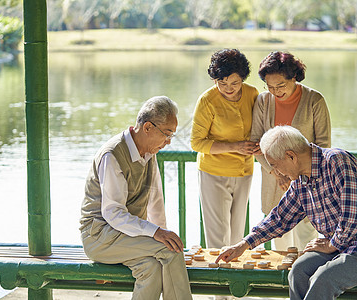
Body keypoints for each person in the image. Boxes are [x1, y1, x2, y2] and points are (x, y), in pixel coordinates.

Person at [217, 126, 357, 300]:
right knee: (298, 271)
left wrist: (331, 244)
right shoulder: (300, 180)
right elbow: (280, 218)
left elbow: (354, 215)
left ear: (291, 156)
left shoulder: (337, 161)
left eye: (274, 164)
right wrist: (244, 244)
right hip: (342, 246)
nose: (276, 172)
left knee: (324, 279)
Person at [80, 96, 192, 300]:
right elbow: (112, 213)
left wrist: (162, 233)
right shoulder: (112, 155)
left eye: (172, 136)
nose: (168, 142)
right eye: (167, 134)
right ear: (148, 127)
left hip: (124, 237)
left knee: (150, 268)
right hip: (99, 237)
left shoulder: (149, 153)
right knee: (171, 252)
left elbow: (156, 201)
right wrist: (157, 234)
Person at [251, 51, 331, 251]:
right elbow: (255, 143)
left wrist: (299, 174)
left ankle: (305, 279)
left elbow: (323, 145)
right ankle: (279, 282)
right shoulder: (263, 101)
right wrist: (277, 173)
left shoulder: (314, 100)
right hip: (273, 179)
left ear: (294, 77)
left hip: (306, 180)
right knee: (279, 238)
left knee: (307, 238)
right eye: (270, 87)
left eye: (281, 86)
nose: (275, 91)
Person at [190, 48, 259, 249]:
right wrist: (236, 146)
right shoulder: (207, 101)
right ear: (215, 80)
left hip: (245, 171)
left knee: (237, 235)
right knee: (218, 237)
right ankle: (217, 277)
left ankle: (235, 279)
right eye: (222, 83)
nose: (229, 88)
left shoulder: (253, 94)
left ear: (243, 79)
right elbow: (197, 143)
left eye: (235, 83)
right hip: (214, 173)